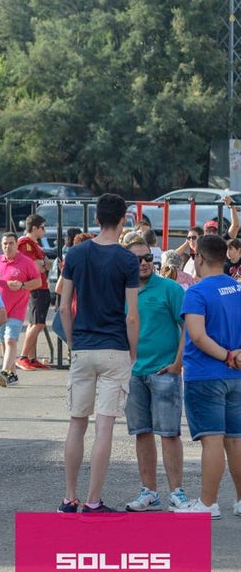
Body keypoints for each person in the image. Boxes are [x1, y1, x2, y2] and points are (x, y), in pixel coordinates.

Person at [57, 193, 140, 513]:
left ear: (95, 219)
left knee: (76, 423)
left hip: (83, 347)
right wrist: (132, 352)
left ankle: (69, 497)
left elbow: (64, 306)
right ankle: (93, 501)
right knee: (104, 428)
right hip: (115, 348)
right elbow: (131, 315)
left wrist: (72, 342)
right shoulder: (127, 260)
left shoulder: (75, 254)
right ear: (123, 220)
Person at [116, 233, 189, 512]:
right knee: (142, 433)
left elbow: (186, 328)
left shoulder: (170, 289)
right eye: (137, 259)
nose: (145, 263)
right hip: (133, 373)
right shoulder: (119, 290)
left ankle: (177, 493)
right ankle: (149, 492)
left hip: (164, 372)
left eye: (149, 258)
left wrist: (178, 363)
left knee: (169, 433)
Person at [175, 233, 241, 518]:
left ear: (199, 258)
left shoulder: (196, 293)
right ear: (225, 256)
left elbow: (197, 336)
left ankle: (207, 503)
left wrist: (226, 356)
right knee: (236, 439)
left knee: (212, 440)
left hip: (206, 375)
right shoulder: (238, 288)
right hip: (237, 375)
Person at [0, 233, 41, 388]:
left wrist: (22, 285)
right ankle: (13, 374)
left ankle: (4, 372)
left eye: (10, 243)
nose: (7, 247)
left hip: (17, 308)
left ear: (17, 245)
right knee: (3, 341)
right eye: (4, 243)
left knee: (11, 340)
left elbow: (37, 281)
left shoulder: (26, 262)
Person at [15, 214, 53, 371]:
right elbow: (34, 266)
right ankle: (23, 357)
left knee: (35, 322)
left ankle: (31, 357)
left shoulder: (35, 245)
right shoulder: (25, 243)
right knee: (38, 323)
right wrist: (43, 264)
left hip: (41, 286)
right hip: (37, 288)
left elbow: (48, 265)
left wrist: (43, 264)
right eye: (43, 227)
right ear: (35, 228)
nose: (44, 230)